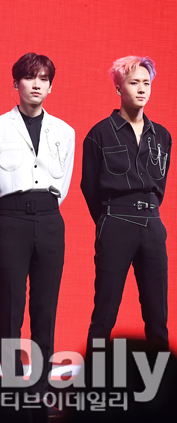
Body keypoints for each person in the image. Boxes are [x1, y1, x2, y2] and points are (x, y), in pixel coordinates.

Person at [0, 53, 75, 412]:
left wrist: (41, 210)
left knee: (45, 308)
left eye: (44, 78)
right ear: (15, 83)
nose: (37, 85)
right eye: (30, 77)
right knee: (11, 306)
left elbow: (63, 184)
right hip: (10, 221)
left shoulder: (65, 131)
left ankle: (42, 385)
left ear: (50, 86)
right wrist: (7, 218)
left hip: (49, 219)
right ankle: (13, 387)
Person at [81, 56, 171, 351]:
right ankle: (94, 375)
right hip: (116, 221)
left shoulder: (162, 136)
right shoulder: (99, 134)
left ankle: (161, 378)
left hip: (153, 224)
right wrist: (109, 219)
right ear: (119, 88)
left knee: (157, 317)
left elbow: (160, 184)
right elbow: (89, 186)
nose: (142, 89)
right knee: (104, 313)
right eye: (134, 83)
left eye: (146, 83)